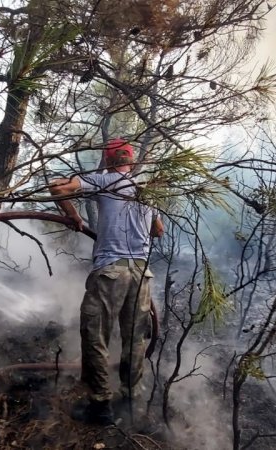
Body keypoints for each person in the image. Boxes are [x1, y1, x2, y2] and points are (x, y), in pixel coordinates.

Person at [49, 138, 164, 425]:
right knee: (134, 339)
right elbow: (158, 230)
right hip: (141, 275)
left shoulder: (104, 180)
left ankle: (100, 406)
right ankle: (130, 399)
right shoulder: (143, 189)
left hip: (111, 270)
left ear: (108, 161)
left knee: (95, 335)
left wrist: (74, 216)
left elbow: (57, 187)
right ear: (131, 161)